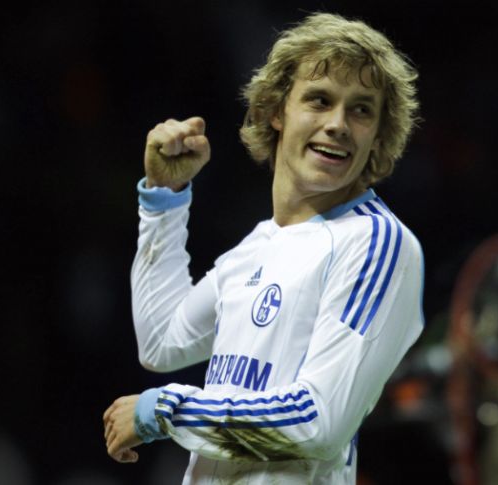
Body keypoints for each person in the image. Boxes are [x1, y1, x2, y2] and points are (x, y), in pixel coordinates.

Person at [103, 12, 424, 484]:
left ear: (378, 134)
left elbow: (317, 423)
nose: (338, 124)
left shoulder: (376, 242)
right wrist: (164, 201)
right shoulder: (256, 248)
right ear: (277, 110)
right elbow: (161, 341)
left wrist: (169, 410)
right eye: (320, 100)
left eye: (361, 110)